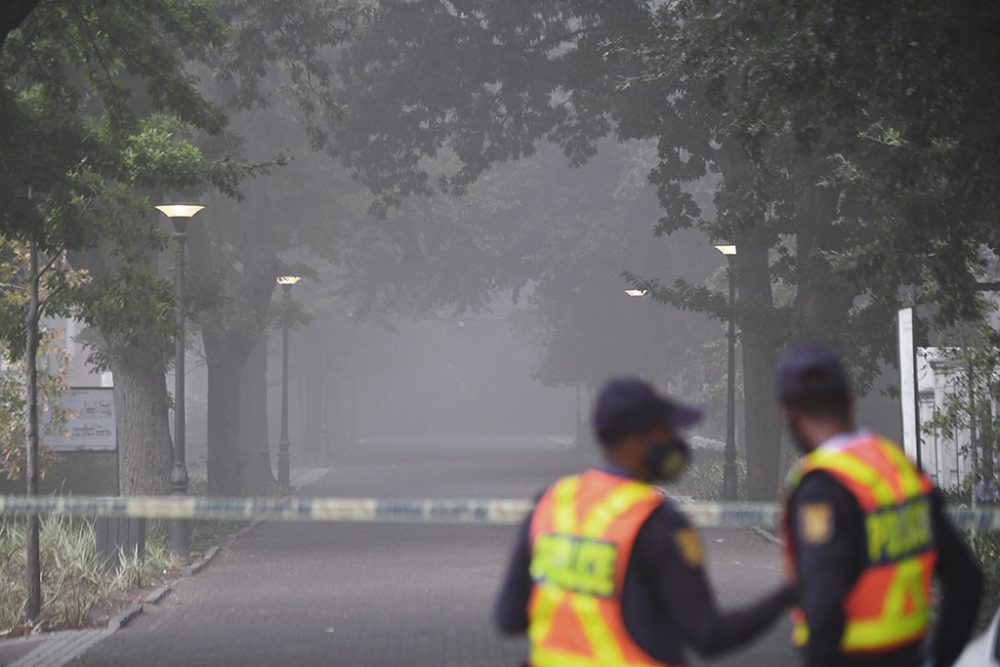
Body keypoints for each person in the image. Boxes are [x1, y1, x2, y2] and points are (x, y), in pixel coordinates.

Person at [495, 377, 794, 666]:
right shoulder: (657, 522)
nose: (676, 443)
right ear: (636, 441)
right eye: (666, 432)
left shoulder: (551, 503)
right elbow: (709, 637)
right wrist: (790, 592)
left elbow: (509, 618)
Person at [778, 343, 983, 667]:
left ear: (788, 414)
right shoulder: (901, 468)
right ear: (850, 401)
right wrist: (939, 660)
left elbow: (823, 604)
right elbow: (966, 580)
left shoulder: (822, 488)